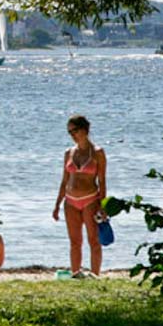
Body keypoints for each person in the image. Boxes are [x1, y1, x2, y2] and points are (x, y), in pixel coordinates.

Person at [53, 114, 107, 278]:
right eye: (69, 132)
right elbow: (64, 180)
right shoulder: (69, 153)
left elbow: (102, 182)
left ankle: (95, 275)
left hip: (90, 199)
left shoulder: (97, 153)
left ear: (85, 130)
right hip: (70, 201)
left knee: (94, 240)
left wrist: (103, 206)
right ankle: (75, 274)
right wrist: (57, 205)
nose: (72, 135)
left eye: (74, 131)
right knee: (75, 242)